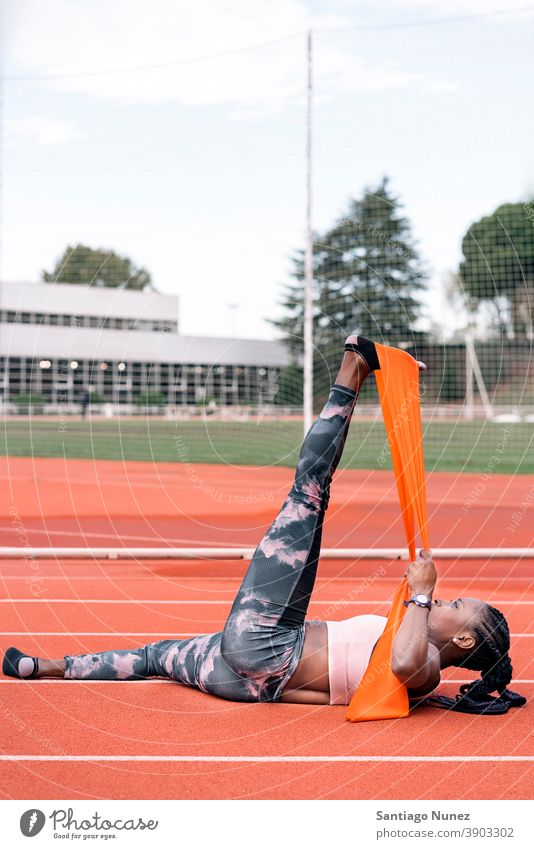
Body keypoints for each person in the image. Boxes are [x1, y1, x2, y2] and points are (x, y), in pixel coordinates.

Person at [3, 336, 526, 715]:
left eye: (456, 606)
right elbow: (314, 693)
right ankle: (51, 667)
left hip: (263, 642)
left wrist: (420, 592)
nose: (445, 600)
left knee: (308, 494)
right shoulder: (424, 677)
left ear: (461, 641)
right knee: (153, 657)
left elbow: (405, 662)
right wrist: (266, 686)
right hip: (250, 677)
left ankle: (352, 369)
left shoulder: (427, 664)